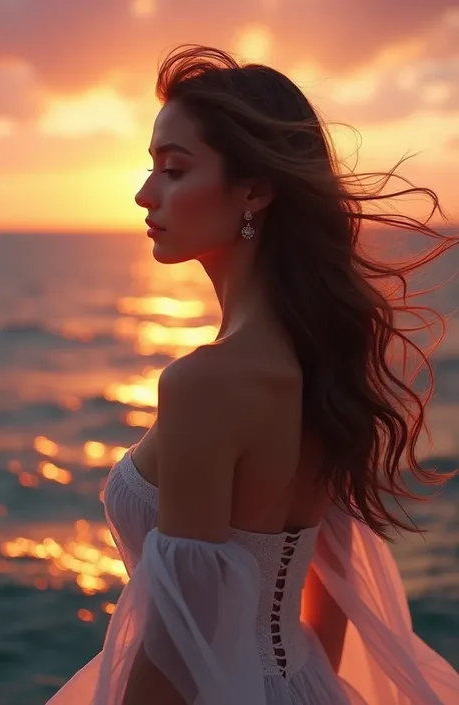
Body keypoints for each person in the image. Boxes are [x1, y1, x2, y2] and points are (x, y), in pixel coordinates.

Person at [48, 44, 459, 705]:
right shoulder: (321, 358)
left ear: (256, 191)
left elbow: (178, 649)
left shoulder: (206, 384)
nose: (144, 192)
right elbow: (331, 600)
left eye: (174, 170)